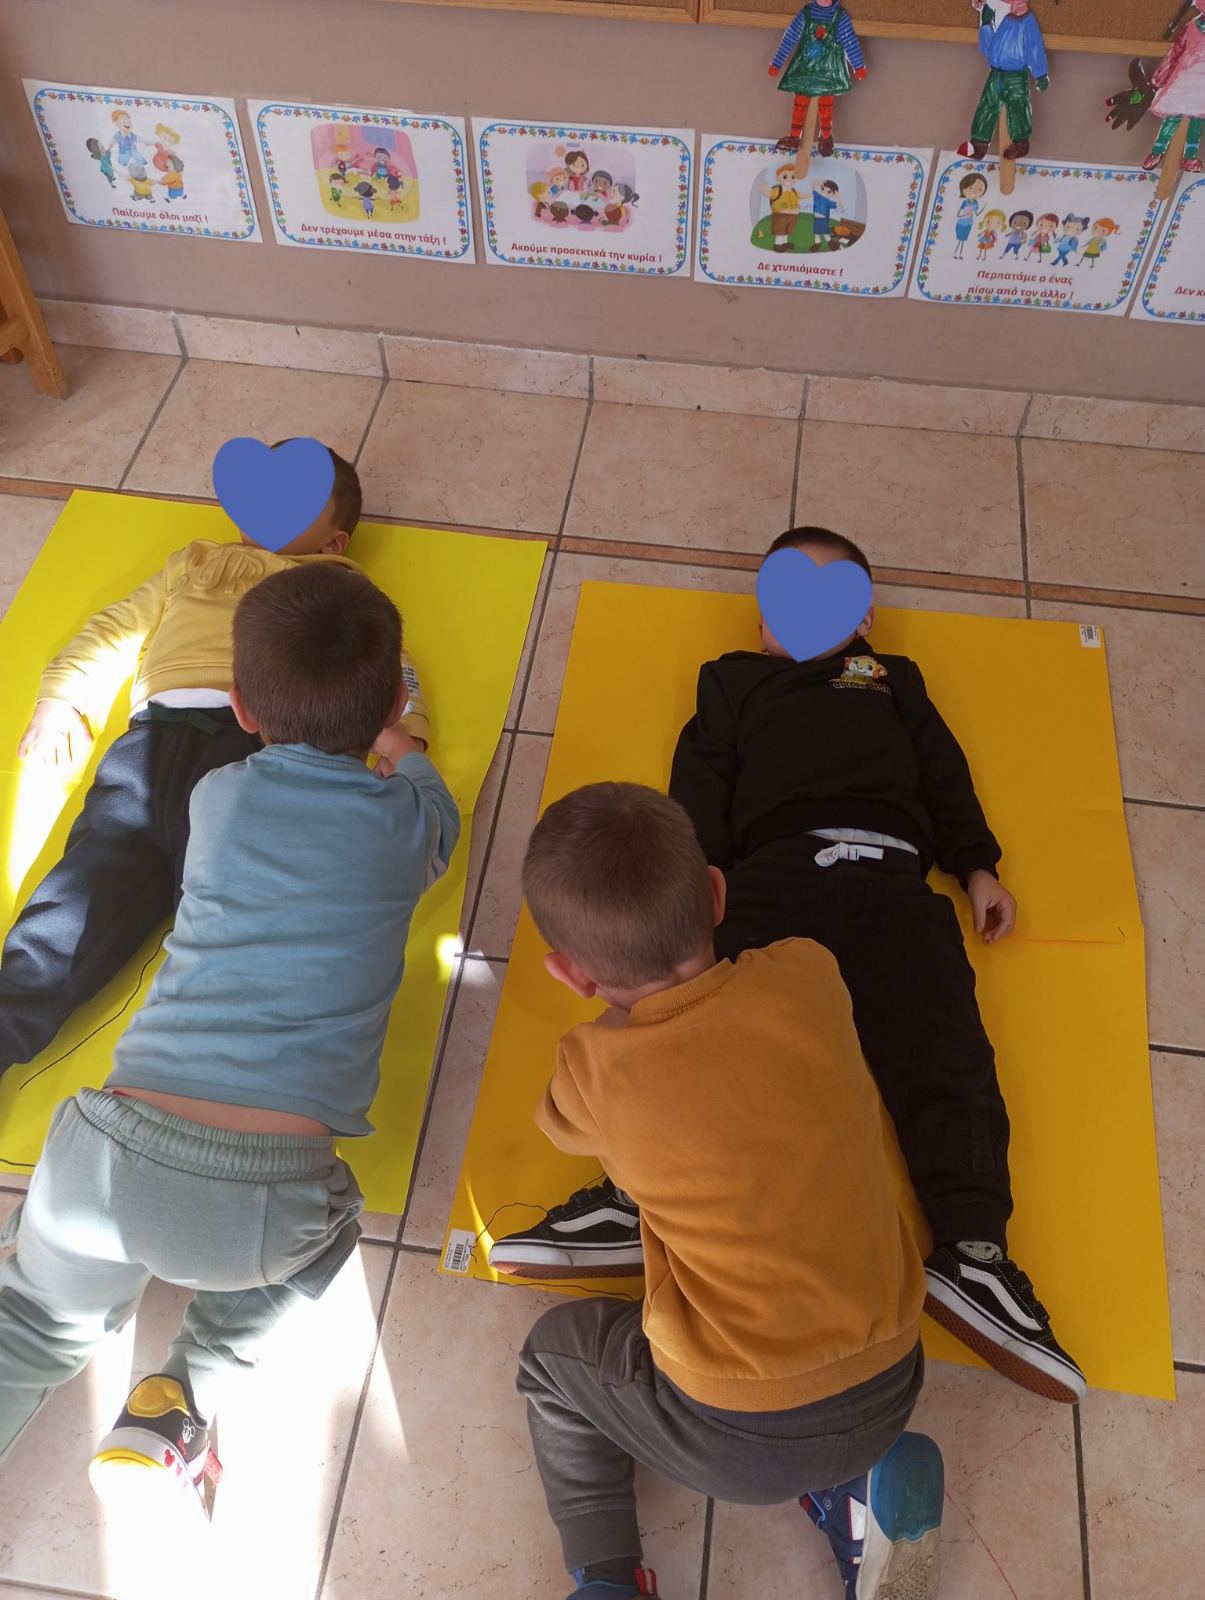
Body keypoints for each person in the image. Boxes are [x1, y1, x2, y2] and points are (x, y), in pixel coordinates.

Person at [492, 527, 1086, 1407]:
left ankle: (973, 1255)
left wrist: (976, 864)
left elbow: (942, 771)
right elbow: (700, 779)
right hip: (769, 878)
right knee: (697, 1028)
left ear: (863, 619)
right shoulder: (733, 680)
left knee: (946, 1057)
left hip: (891, 882)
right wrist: (694, 886)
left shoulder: (888, 679)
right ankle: (633, 1194)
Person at [0, 562, 459, 1507]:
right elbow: (430, 793)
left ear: (243, 710)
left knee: (34, 1325)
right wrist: (401, 743)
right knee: (331, 1231)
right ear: (390, 704)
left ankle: (43, 1290)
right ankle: (183, 1390)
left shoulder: (216, 796)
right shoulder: (413, 820)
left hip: (99, 1154)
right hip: (260, 1205)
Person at [511, 782, 943, 1600]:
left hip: (733, 1440)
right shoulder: (810, 971)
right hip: (893, 1373)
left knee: (550, 1359)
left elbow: (557, 1127)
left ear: (569, 974)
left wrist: (614, 1033)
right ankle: (854, 1496)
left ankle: (608, 1577)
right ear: (715, 894)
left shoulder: (593, 1068)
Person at [0, 443, 430, 1076]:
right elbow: (118, 626)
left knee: (230, 917)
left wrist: (402, 734)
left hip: (252, 748)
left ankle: (213, 1065)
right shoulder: (194, 562)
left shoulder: (335, 585)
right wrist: (62, 695)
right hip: (147, 749)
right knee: (76, 901)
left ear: (334, 542)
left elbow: (390, 663)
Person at [957, 0, 1050, 162]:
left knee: (1018, 107)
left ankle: (1020, 142)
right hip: (996, 74)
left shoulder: (1028, 22)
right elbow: (987, 48)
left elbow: (1035, 48)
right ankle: (979, 144)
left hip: (1016, 75)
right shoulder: (1002, 18)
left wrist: (1040, 74)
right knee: (987, 105)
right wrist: (986, 24)